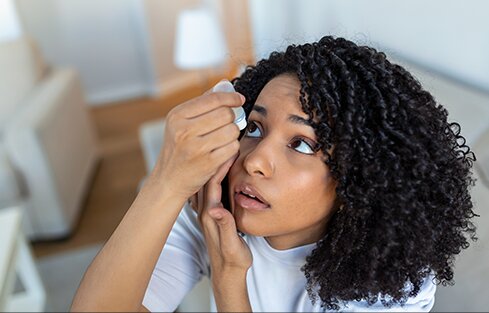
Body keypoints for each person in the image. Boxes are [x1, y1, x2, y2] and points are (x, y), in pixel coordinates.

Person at [71, 36, 477, 312]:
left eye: (301, 143)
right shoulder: (216, 208)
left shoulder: (389, 280)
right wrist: (165, 181)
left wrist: (229, 280)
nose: (254, 161)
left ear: (358, 179)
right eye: (254, 128)